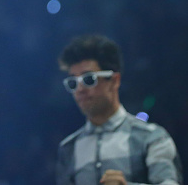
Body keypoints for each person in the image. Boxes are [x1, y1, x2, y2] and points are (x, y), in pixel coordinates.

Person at [56, 34, 183, 185]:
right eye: (73, 83)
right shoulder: (68, 148)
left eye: (88, 79)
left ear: (114, 81)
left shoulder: (152, 138)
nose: (80, 89)